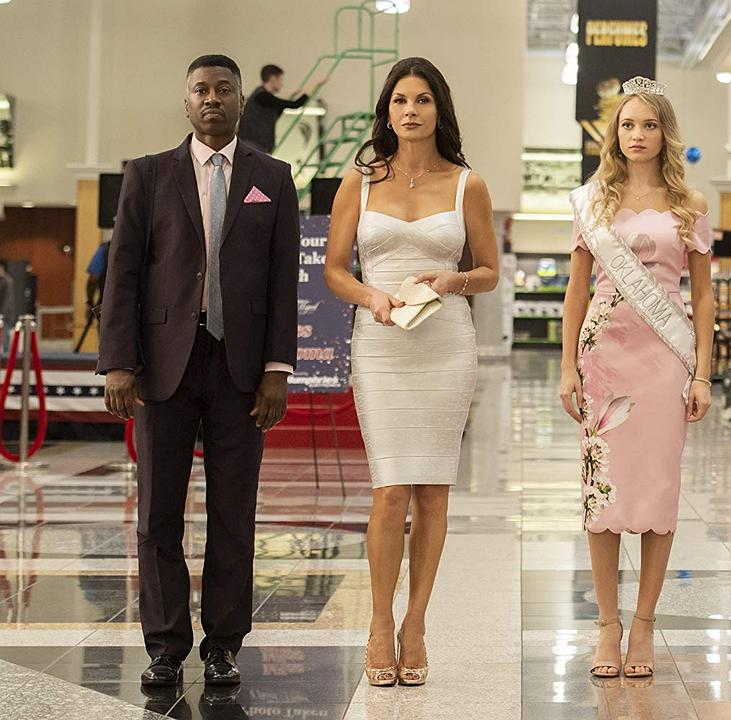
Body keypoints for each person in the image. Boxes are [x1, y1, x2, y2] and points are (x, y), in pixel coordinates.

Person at [96, 54, 300, 688]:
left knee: (233, 514)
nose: (212, 99)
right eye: (201, 90)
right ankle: (164, 646)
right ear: (185, 102)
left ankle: (223, 645)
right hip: (163, 367)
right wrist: (118, 363)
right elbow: (123, 274)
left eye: (224, 90)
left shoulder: (273, 177)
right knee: (158, 513)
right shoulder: (148, 174)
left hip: (241, 369)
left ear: (241, 101)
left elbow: (283, 280)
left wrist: (277, 369)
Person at [324, 56, 499, 687]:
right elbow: (335, 270)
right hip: (381, 345)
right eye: (400, 100)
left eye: (422, 99)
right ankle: (378, 622)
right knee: (390, 489)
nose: (410, 110)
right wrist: (369, 295)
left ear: (438, 109)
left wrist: (454, 280)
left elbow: (489, 272)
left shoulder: (467, 185)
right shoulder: (360, 182)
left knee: (433, 492)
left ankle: (416, 623)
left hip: (445, 343)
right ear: (387, 111)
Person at [559, 77, 715, 679]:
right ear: (614, 133)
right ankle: (608, 624)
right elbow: (576, 291)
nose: (638, 135)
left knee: (657, 490)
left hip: (665, 359)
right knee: (602, 492)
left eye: (649, 124)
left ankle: (644, 623)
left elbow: (703, 298)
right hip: (604, 358)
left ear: (664, 133)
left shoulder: (690, 204)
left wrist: (703, 373)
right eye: (628, 125)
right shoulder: (592, 202)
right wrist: (568, 365)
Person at [237, 64, 319, 153]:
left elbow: (279, 106)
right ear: (273, 79)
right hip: (253, 145)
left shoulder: (263, 98)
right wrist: (312, 88)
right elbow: (295, 105)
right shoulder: (262, 97)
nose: (282, 83)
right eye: (280, 79)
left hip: (257, 145)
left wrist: (290, 95)